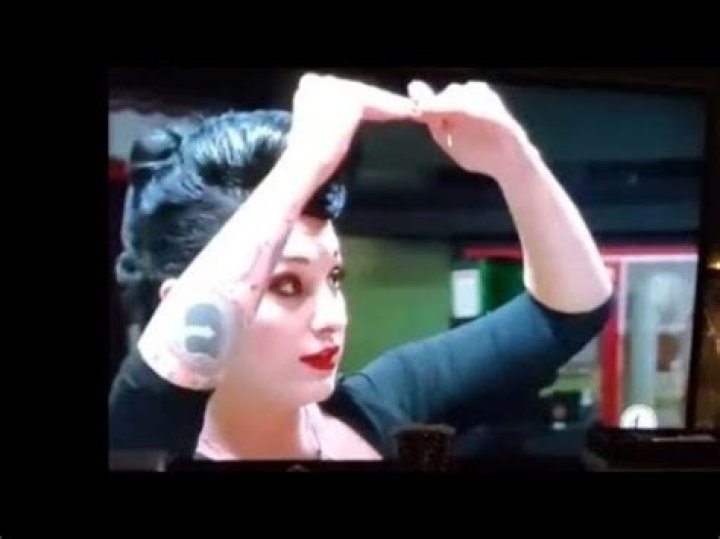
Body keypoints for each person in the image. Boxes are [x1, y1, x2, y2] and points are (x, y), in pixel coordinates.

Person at [109, 73, 614, 460]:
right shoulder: (146, 445)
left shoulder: (379, 406)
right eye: (286, 285)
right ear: (177, 304)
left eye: (334, 278)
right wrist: (306, 160)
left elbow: (570, 312)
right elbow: (155, 384)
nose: (332, 317)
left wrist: (514, 161)